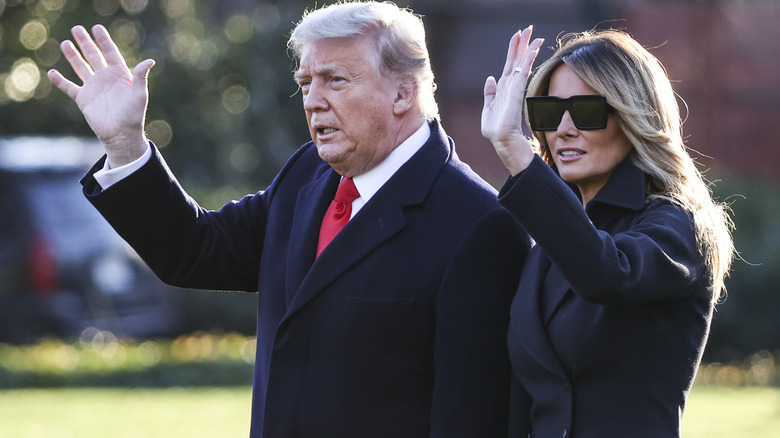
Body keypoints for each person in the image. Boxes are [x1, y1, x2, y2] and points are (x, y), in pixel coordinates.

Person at [48, 2, 531, 437]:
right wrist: (126, 143)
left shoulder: (480, 225)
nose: (313, 100)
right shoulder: (308, 174)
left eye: (335, 80)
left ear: (403, 93)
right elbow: (196, 251)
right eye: (305, 83)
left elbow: (471, 419)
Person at [481, 27, 735, 437]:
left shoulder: (676, 223)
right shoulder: (553, 232)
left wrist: (515, 152)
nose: (562, 129)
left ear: (633, 115)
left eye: (584, 110)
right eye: (548, 112)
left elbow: (606, 273)